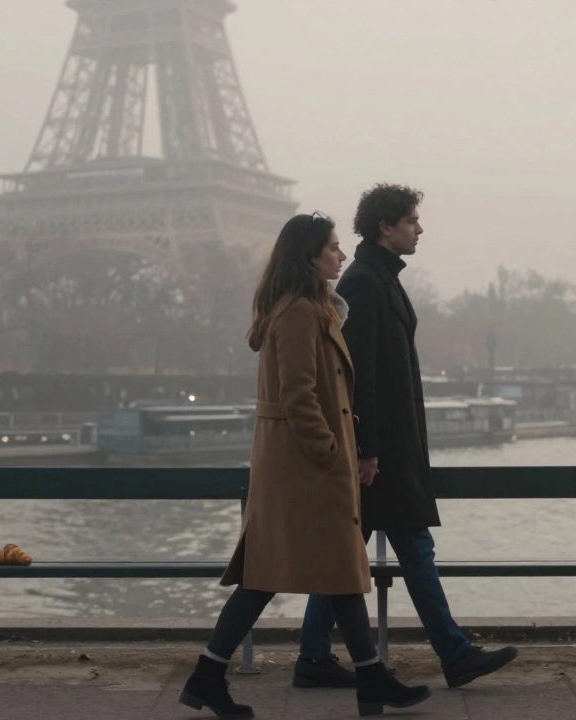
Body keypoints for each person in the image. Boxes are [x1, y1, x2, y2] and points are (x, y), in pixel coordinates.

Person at [180, 212, 431, 719]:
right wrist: (331, 452)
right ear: (310, 255)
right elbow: (299, 395)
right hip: (307, 468)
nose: (341, 255)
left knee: (321, 572)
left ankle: (365, 678)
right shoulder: (298, 312)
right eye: (334, 248)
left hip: (300, 467)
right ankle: (367, 679)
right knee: (288, 574)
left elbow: (315, 389)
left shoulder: (311, 308)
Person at [293, 184, 519, 690]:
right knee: (413, 549)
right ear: (386, 227)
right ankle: (454, 654)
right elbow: (359, 374)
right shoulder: (367, 284)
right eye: (412, 220)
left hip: (385, 449)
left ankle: (312, 657)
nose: (419, 228)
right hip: (383, 453)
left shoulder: (376, 279)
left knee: (345, 552)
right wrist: (368, 449)